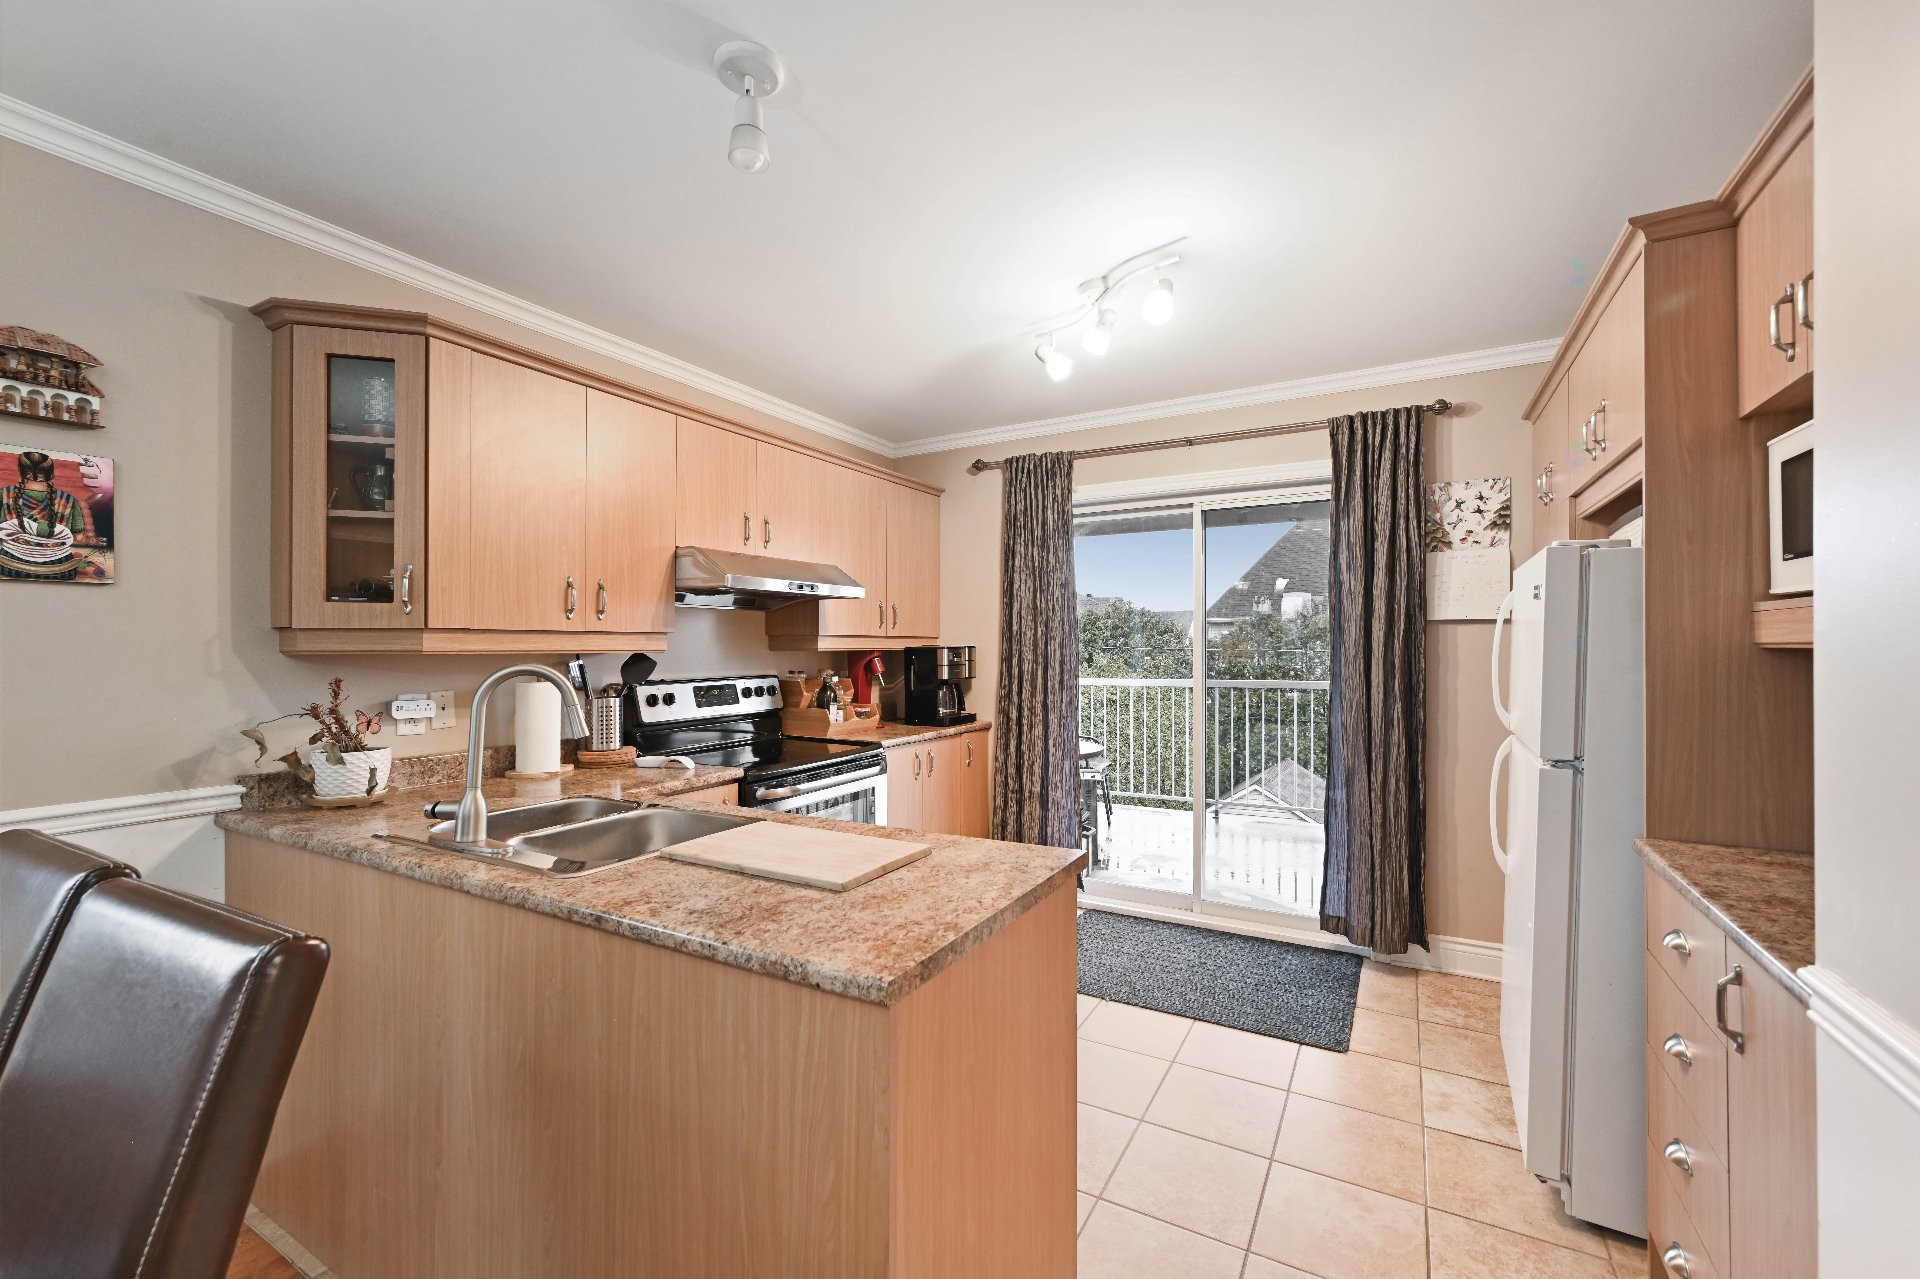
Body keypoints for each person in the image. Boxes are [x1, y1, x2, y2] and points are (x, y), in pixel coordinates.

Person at [0, 450, 93, 580]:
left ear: (20, 471)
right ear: (52, 474)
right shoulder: (69, 501)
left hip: (9, 565)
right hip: (59, 568)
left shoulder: (4, 495)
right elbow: (78, 537)